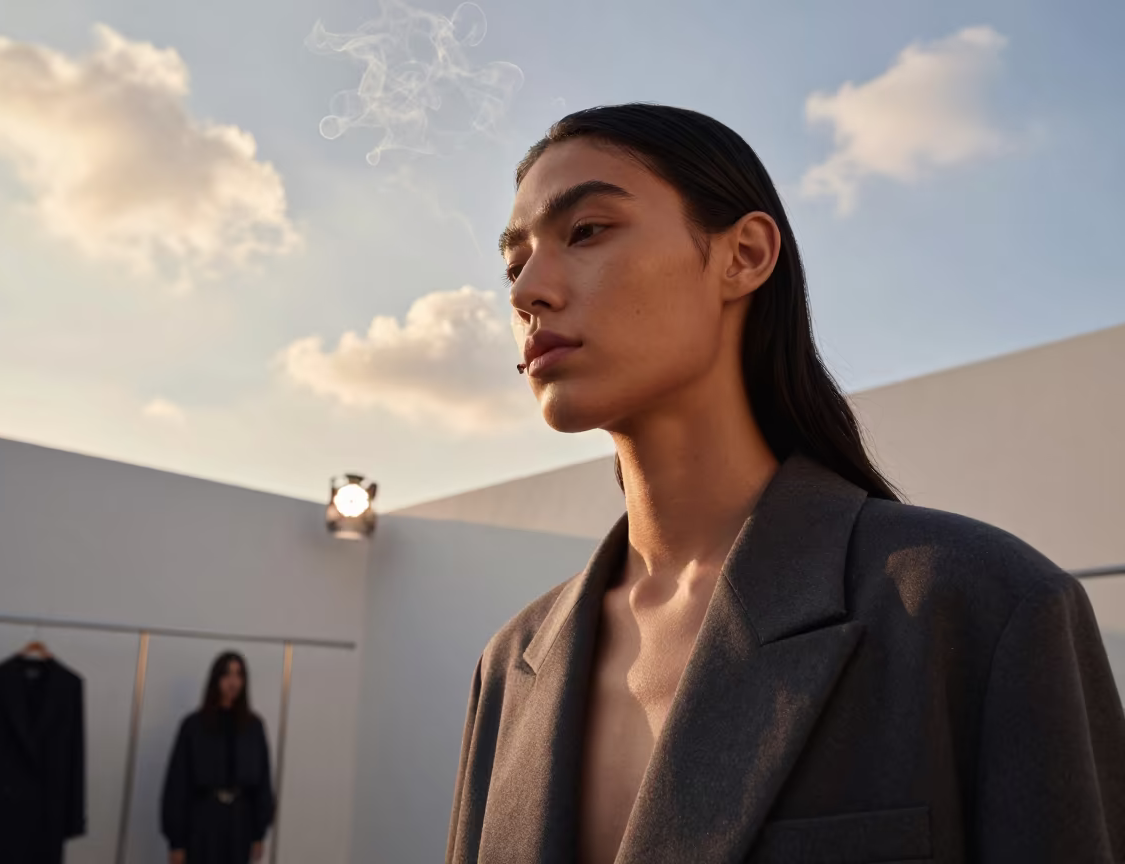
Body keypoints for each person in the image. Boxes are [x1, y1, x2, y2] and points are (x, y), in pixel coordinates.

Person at [445, 103, 1125, 864]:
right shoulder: (512, 664)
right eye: (513, 263)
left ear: (744, 254)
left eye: (588, 230)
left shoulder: (981, 609)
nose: (526, 291)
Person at [162, 652, 275, 864]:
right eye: (227, 675)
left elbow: (263, 781)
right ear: (216, 679)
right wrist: (176, 841)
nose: (233, 682)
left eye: (239, 675)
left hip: (240, 822)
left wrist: (259, 833)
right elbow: (177, 783)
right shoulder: (194, 726)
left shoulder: (253, 726)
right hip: (203, 820)